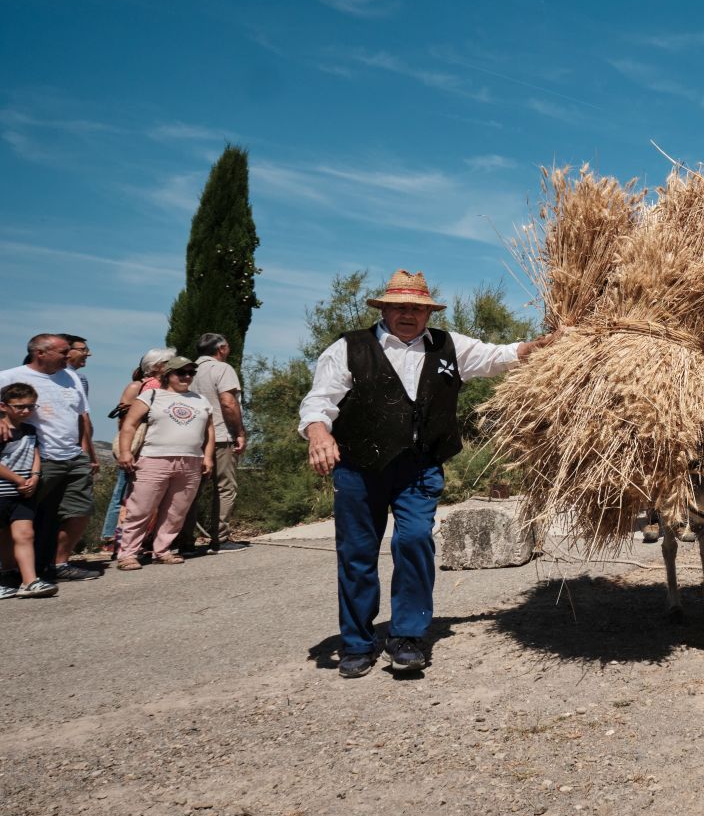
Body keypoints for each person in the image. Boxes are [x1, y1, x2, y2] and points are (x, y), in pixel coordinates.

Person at [299, 270, 557, 680]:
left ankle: (407, 637)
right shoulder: (348, 349)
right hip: (359, 469)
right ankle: (357, 643)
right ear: (383, 309)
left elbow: (502, 355)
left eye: (417, 309)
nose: (408, 315)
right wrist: (318, 434)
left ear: (427, 313)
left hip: (419, 466)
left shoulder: (448, 345)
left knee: (416, 540)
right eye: (400, 307)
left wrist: (545, 345)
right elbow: (318, 403)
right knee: (357, 555)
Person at [0, 335, 101, 583]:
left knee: (80, 510)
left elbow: (81, 416)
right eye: (63, 352)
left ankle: (59, 563)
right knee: (22, 516)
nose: (69, 356)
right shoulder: (10, 376)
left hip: (74, 456)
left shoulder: (71, 376)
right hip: (36, 458)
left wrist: (87, 451)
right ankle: (12, 569)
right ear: (40, 353)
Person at [112, 357, 215, 568]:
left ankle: (162, 550)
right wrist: (125, 452)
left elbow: (209, 432)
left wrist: (208, 456)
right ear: (168, 375)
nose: (187, 376)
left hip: (190, 460)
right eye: (181, 372)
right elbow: (129, 425)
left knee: (177, 510)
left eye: (190, 373)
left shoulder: (201, 400)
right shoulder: (151, 395)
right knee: (141, 508)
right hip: (154, 458)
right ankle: (128, 554)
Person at [100, 348, 176, 553]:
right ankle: (113, 539)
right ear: (158, 365)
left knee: (135, 494)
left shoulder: (154, 386)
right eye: (170, 361)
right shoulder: (146, 386)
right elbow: (126, 421)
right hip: (140, 446)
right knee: (124, 491)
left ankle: (127, 539)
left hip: (151, 445)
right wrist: (128, 448)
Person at [188, 333, 248, 554]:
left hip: (194, 438)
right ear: (221, 349)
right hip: (221, 436)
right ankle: (220, 538)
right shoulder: (223, 369)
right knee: (225, 488)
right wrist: (239, 432)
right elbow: (228, 402)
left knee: (192, 489)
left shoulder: (188, 370)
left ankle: (184, 541)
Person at [0, 383, 54, 599]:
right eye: (19, 407)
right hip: (5, 490)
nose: (25, 411)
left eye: (30, 406)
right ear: (4, 406)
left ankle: (29, 581)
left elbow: (35, 454)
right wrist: (19, 480)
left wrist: (34, 476)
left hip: (23, 493)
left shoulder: (30, 430)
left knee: (24, 534)